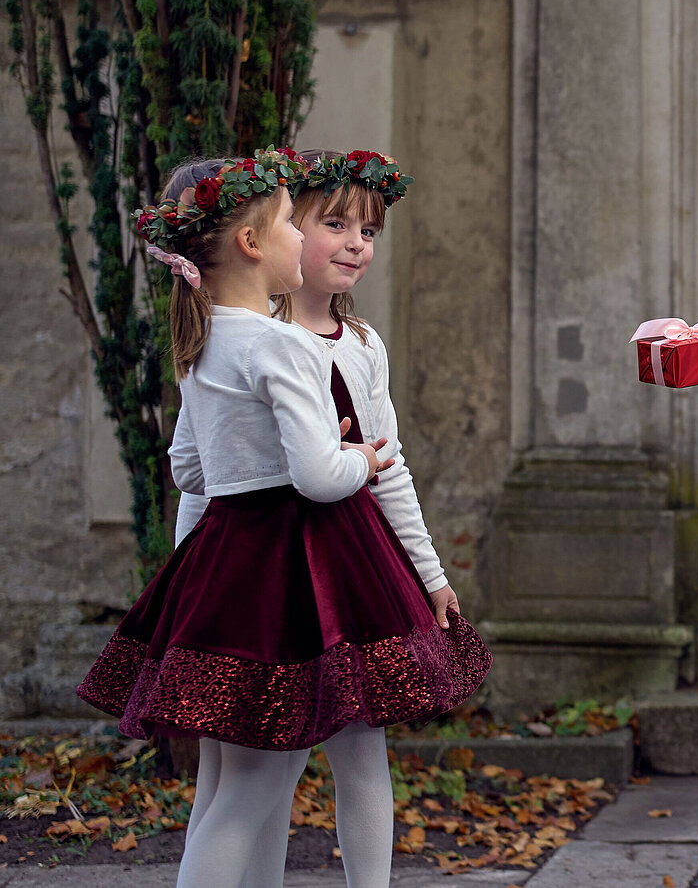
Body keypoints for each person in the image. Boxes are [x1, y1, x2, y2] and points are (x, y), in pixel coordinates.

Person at [77, 150, 489, 888]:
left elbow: (196, 467)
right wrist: (352, 461)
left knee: (328, 757)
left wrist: (428, 570)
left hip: (328, 574)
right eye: (329, 224)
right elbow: (289, 475)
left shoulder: (260, 338)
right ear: (274, 233)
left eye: (369, 230)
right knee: (250, 780)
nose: (353, 242)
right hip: (285, 575)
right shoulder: (265, 338)